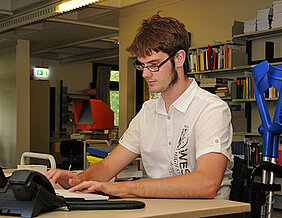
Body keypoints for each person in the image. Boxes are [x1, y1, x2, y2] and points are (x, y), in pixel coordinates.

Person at [46, 14, 234, 199]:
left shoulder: (210, 109)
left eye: (153, 65)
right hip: (159, 211)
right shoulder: (148, 112)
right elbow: (108, 167)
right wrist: (76, 181)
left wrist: (125, 188)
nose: (145, 74)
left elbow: (207, 184)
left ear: (179, 59)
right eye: (142, 65)